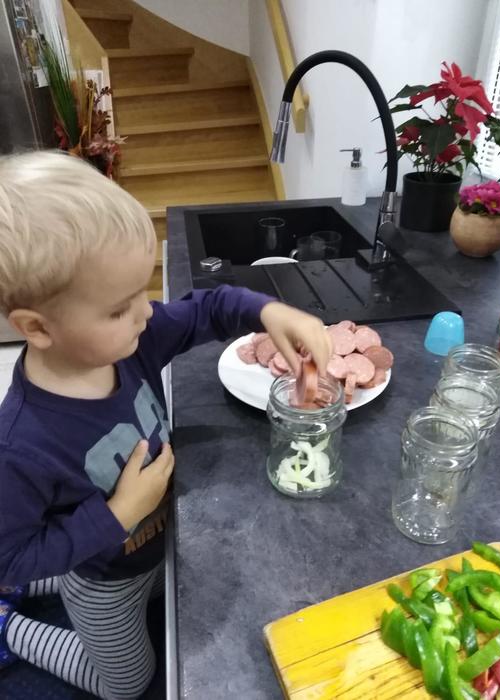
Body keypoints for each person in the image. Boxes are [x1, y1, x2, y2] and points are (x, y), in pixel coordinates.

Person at [0, 151, 331, 699]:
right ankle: (10, 627)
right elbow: (9, 556)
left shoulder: (133, 339)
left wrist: (269, 312)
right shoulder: (21, 445)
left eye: (143, 291)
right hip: (105, 579)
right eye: (118, 308)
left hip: (155, 545)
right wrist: (119, 514)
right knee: (127, 684)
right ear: (37, 327)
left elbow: (210, 308)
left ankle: (53, 581)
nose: (146, 313)